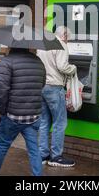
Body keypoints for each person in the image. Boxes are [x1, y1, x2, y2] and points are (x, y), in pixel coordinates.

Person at [0, 47, 46, 176]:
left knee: (3, 145)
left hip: (13, 116)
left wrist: (2, 110)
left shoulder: (7, 62)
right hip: (33, 115)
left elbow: (1, 89)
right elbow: (41, 84)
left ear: (11, 46)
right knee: (34, 150)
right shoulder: (38, 61)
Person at [37, 26, 77, 167]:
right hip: (54, 87)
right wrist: (73, 68)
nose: (68, 41)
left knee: (44, 122)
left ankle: (42, 155)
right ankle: (56, 157)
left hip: (42, 86)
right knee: (59, 123)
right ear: (64, 35)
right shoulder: (61, 44)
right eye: (69, 38)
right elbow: (62, 66)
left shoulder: (43, 45)